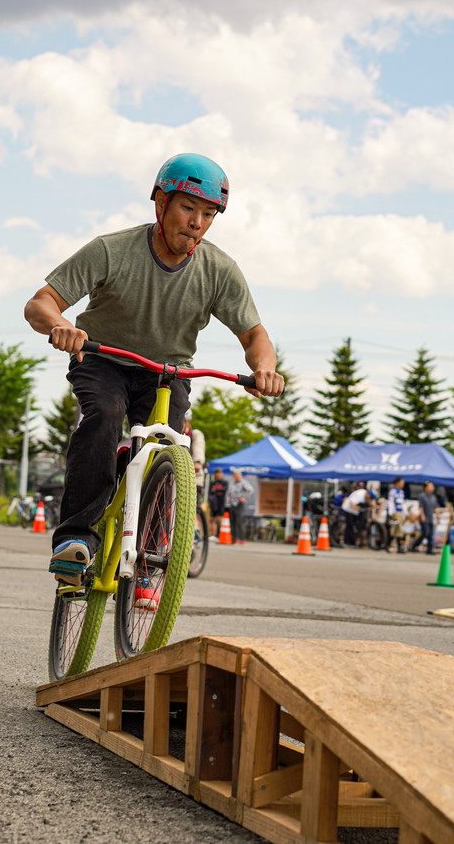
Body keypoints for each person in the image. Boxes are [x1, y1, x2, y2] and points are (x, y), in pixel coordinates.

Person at [24, 153, 283, 584]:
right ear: (160, 202)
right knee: (103, 417)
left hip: (167, 373)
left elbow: (256, 337)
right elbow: (40, 303)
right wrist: (61, 326)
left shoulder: (219, 270)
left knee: (169, 451)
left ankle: (151, 552)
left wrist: (264, 369)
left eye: (208, 213)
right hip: (102, 359)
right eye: (187, 208)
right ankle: (75, 540)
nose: (197, 222)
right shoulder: (113, 250)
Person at [411, 482, 442, 554]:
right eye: (430, 486)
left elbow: (435, 509)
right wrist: (422, 516)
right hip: (424, 517)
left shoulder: (433, 497)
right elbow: (421, 507)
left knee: (430, 534)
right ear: (426, 487)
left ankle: (429, 549)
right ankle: (415, 545)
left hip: (431, 518)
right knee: (425, 533)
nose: (432, 488)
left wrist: (438, 517)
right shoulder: (422, 496)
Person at [226, 469, 255, 544]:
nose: (236, 477)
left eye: (238, 475)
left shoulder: (244, 483)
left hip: (239, 504)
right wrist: (229, 497)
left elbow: (251, 490)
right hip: (232, 504)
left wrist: (244, 497)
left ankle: (242, 538)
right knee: (233, 522)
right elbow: (229, 492)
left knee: (239, 521)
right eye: (235, 476)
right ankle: (234, 538)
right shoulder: (233, 483)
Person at [341, 482, 370, 548]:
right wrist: (357, 508)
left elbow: (370, 502)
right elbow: (352, 503)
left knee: (357, 525)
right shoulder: (360, 495)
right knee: (350, 526)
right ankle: (347, 542)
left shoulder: (366, 494)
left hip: (354, 511)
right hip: (348, 509)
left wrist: (376, 506)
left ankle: (354, 541)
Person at [385, 478, 407, 553]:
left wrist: (405, 512)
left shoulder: (401, 492)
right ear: (397, 483)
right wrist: (391, 513)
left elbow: (402, 503)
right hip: (395, 513)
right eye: (402, 482)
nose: (403, 484)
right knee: (396, 529)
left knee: (398, 530)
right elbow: (391, 502)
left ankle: (397, 546)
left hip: (400, 513)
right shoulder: (393, 492)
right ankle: (391, 545)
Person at [208, 468, 227, 538]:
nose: (219, 475)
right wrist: (218, 491)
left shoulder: (224, 482)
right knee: (213, 519)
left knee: (220, 519)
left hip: (221, 504)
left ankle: (220, 535)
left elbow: (224, 490)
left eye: (220, 474)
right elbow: (210, 492)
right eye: (217, 474)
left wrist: (215, 490)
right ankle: (213, 534)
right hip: (213, 504)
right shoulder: (212, 483)